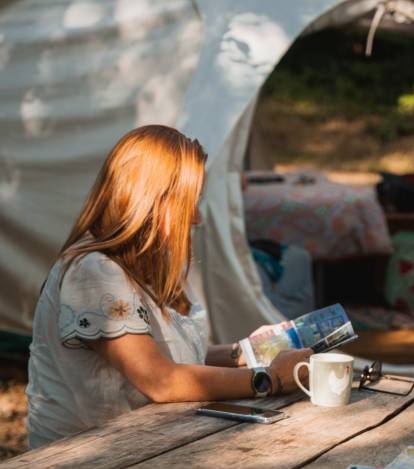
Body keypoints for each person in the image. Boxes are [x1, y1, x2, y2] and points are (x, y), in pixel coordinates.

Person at [26, 125, 310, 449]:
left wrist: (249, 351)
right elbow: (160, 380)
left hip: (140, 447)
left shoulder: (143, 264)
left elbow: (168, 353)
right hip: (81, 462)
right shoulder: (93, 273)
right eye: (191, 202)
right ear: (154, 201)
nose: (197, 218)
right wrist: (269, 379)